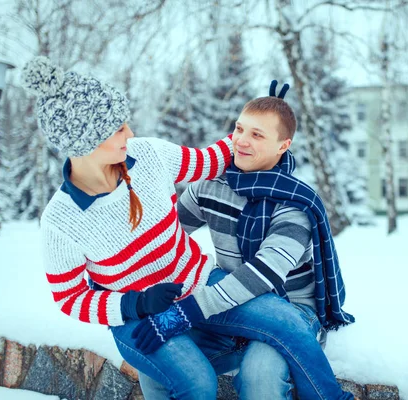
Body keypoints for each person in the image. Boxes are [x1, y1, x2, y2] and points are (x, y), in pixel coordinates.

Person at [23, 57, 354, 400]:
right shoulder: (61, 220)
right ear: (87, 140)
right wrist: (131, 305)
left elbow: (210, 159)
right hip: (135, 312)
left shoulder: (148, 154)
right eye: (118, 128)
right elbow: (70, 297)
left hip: (196, 283)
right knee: (195, 382)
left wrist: (262, 123)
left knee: (287, 323)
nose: (130, 133)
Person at [135, 82, 356, 399]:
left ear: (283, 145)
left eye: (257, 134)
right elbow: (165, 237)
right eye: (239, 129)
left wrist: (187, 311)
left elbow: (262, 275)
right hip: (229, 305)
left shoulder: (294, 205)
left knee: (260, 376)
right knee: (157, 359)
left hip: (291, 312)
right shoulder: (211, 186)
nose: (241, 141)